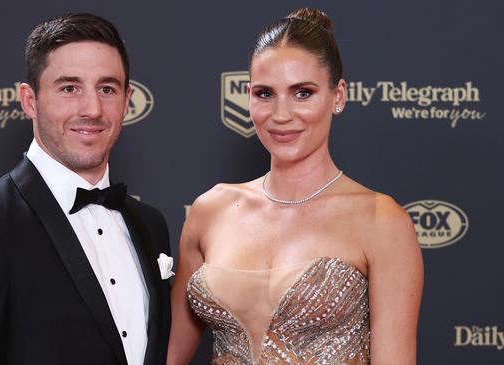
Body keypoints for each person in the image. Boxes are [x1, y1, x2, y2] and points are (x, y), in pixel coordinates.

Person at [167, 7, 423, 365]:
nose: (281, 115)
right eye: (265, 94)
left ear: (338, 96)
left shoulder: (381, 220)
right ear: (249, 97)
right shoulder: (210, 210)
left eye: (302, 93)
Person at [0, 13, 171, 365]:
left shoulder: (150, 225)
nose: (92, 109)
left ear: (127, 99)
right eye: (69, 88)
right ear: (29, 100)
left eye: (107, 88)